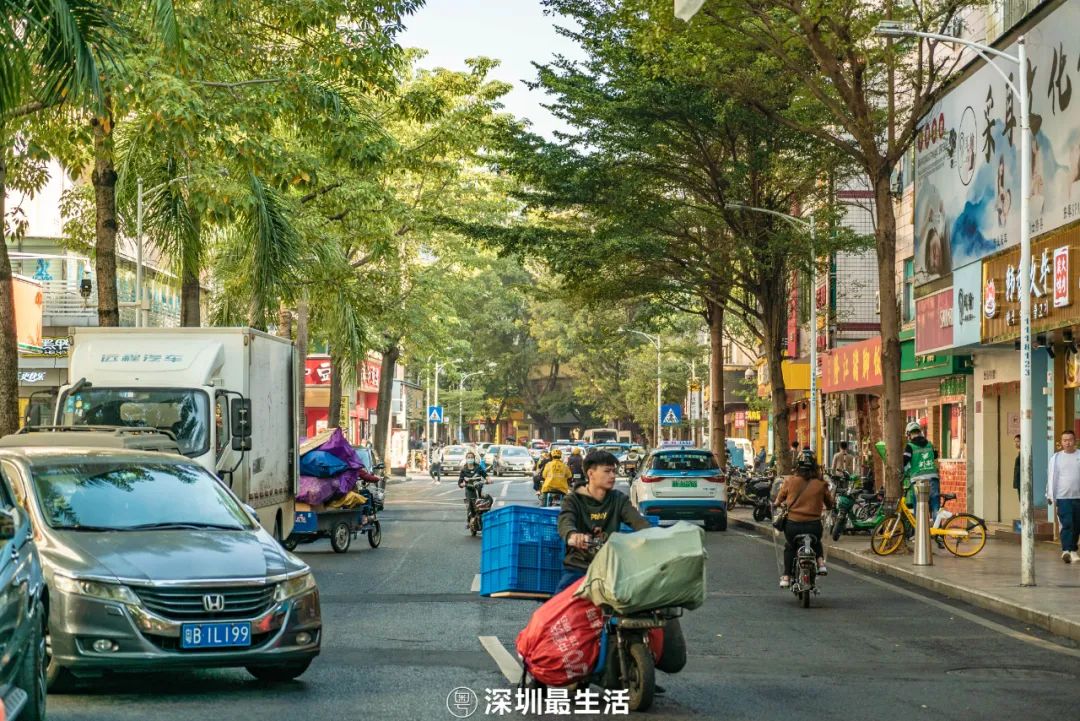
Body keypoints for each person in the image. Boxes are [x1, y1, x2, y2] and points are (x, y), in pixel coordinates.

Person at [556, 450, 651, 591]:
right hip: (578, 567)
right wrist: (572, 535)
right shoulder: (573, 499)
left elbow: (639, 522)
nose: (612, 476)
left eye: (614, 471)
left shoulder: (619, 499)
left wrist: (655, 535)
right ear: (590, 473)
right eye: (607, 471)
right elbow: (565, 521)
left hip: (610, 568)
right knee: (560, 603)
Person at [774, 449, 834, 588]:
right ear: (815, 466)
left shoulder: (789, 481)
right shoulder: (821, 483)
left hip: (792, 526)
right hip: (814, 525)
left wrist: (776, 504)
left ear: (798, 466)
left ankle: (786, 576)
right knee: (816, 541)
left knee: (790, 546)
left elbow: (778, 500)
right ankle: (820, 563)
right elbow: (830, 503)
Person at [1047, 429, 1080, 564]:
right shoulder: (1056, 458)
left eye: (1070, 440)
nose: (1067, 443)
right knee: (1067, 523)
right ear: (1061, 442)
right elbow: (1051, 477)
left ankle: (1071, 550)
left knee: (1077, 524)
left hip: (1078, 496)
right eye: (1065, 440)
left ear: (1075, 441)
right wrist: (1049, 494)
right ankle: (1067, 550)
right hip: (1063, 497)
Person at [902, 420, 941, 517]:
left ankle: (919, 531)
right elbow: (935, 455)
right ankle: (937, 531)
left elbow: (904, 461)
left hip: (918, 481)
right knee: (935, 506)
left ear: (909, 434)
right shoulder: (929, 444)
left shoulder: (910, 446)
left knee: (919, 508)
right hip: (933, 478)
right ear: (920, 432)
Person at [458, 451, 488, 526]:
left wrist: (488, 479)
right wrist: (463, 484)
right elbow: (460, 482)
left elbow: (485, 475)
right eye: (469, 457)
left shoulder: (478, 467)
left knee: (486, 500)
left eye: (472, 457)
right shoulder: (464, 470)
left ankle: (484, 518)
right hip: (469, 490)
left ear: (474, 459)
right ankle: (469, 520)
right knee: (471, 504)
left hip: (479, 488)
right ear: (466, 459)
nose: (470, 459)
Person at [1013, 434, 1021, 501]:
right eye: (1015, 441)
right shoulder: (1019, 453)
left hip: (1021, 481)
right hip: (1019, 481)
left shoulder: (1023, 453)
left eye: (1018, 441)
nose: (1016, 443)